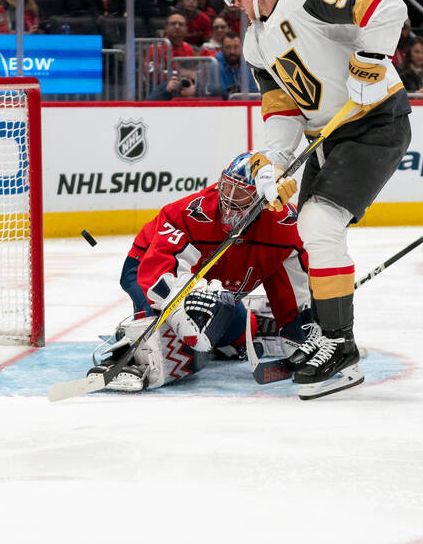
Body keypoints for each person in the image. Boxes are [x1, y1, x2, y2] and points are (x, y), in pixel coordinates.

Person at [218, 0, 412, 399]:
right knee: (310, 232)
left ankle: (341, 351)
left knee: (319, 223)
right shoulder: (254, 42)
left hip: (374, 120)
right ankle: (329, 334)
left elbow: (387, 6)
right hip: (327, 136)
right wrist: (273, 164)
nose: (234, 2)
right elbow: (282, 106)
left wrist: (372, 60)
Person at [90, 152, 312, 392]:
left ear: (263, 199)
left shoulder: (286, 227)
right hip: (149, 268)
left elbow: (292, 288)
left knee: (230, 322)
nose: (228, 198)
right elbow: (157, 271)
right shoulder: (190, 213)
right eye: (227, 186)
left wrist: (300, 333)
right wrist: (180, 304)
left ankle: (253, 324)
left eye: (241, 193)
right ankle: (128, 357)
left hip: (220, 284)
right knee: (169, 336)